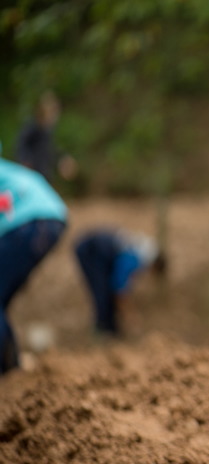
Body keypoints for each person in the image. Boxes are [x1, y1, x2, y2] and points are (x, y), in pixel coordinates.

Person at [0, 143, 68, 375]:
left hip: (30, 222)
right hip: (51, 217)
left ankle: (7, 366)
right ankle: (10, 364)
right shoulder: (8, 170)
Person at [74, 228, 166, 337]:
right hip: (91, 252)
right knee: (102, 292)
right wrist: (129, 313)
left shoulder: (145, 250)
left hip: (98, 250)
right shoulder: (138, 258)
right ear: (155, 267)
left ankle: (110, 329)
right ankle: (103, 330)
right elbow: (119, 286)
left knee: (105, 290)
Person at [15, 90, 78, 184]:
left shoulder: (47, 131)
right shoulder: (33, 127)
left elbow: (50, 150)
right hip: (33, 173)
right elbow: (21, 144)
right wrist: (25, 160)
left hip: (44, 173)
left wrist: (63, 159)